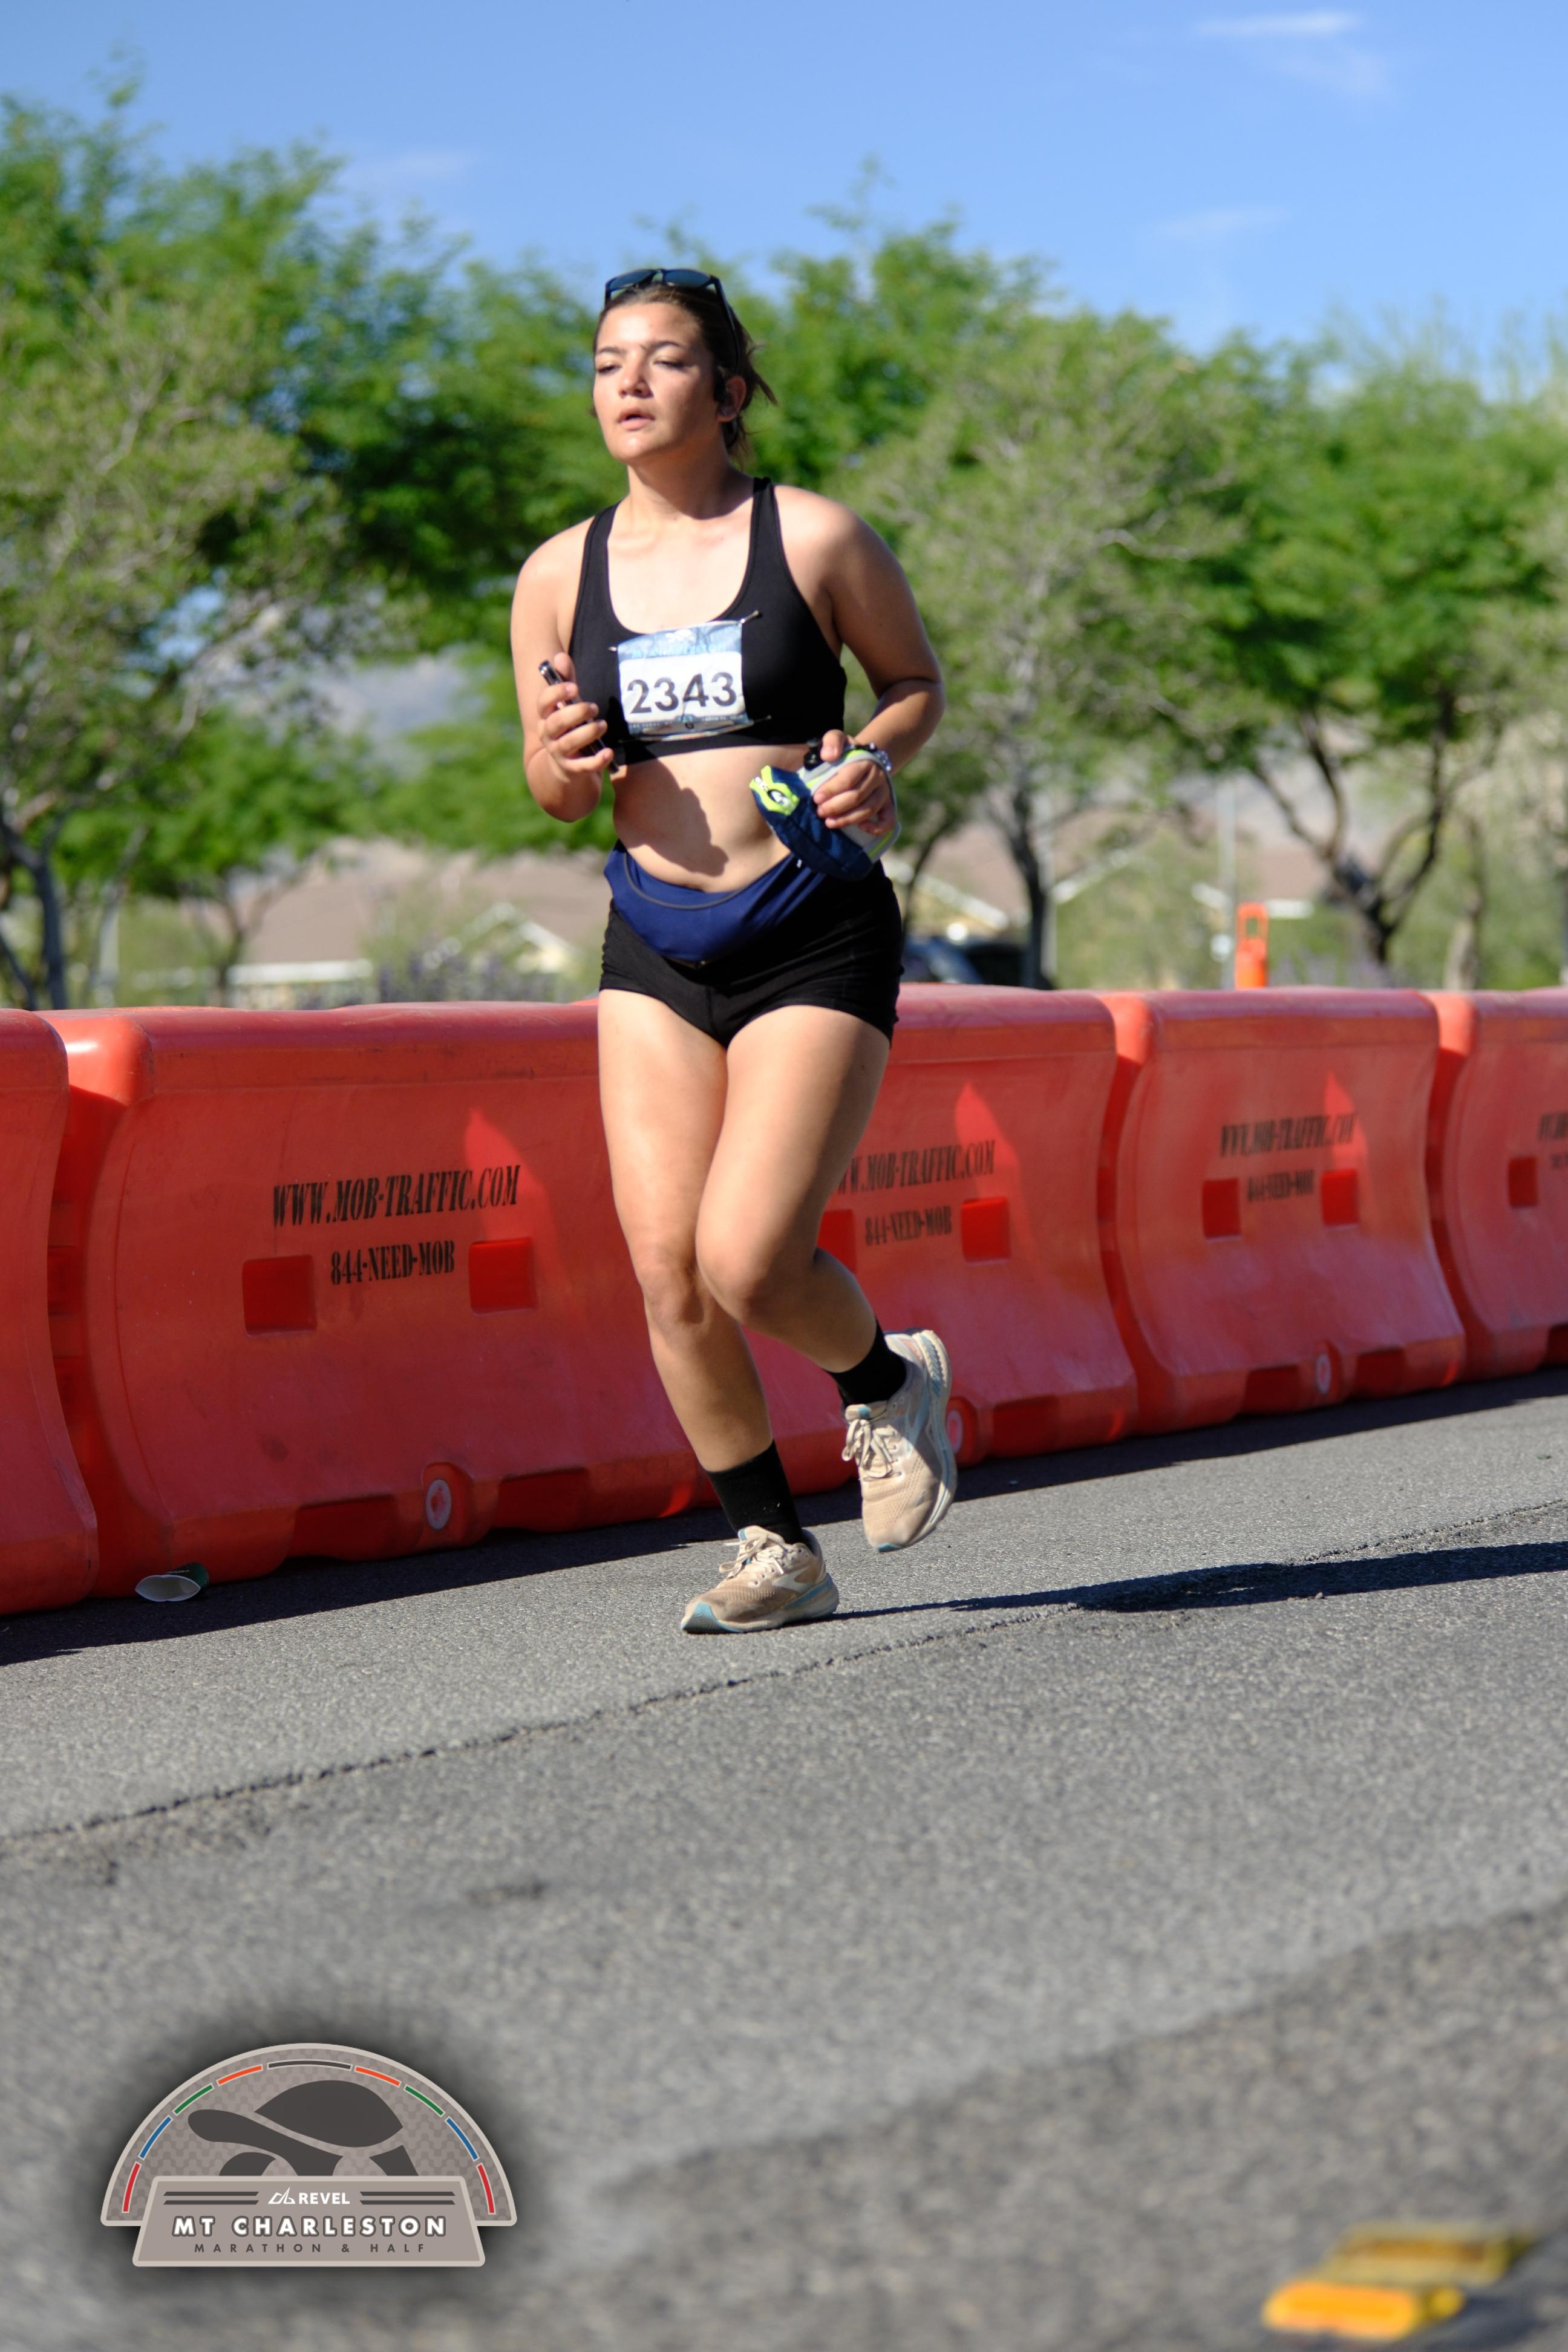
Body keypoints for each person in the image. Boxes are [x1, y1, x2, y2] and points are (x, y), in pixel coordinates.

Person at [511, 266, 954, 1633]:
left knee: (749, 1259)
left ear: (730, 389)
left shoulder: (811, 537)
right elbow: (552, 787)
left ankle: (888, 1384)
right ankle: (776, 1547)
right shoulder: (556, 575)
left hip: (810, 924)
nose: (629, 384)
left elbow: (914, 686)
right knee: (666, 1270)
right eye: (607, 364)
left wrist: (873, 762)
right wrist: (562, 758)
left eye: (663, 359)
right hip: (654, 935)